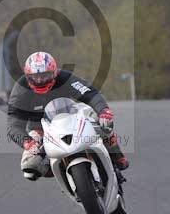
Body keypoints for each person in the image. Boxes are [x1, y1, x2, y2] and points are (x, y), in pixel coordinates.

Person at [7, 51, 129, 180]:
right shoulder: (21, 89)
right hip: (41, 129)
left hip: (72, 117)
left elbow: (88, 92)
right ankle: (55, 168)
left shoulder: (64, 77)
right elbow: (13, 123)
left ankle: (116, 154)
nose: (40, 80)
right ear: (27, 76)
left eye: (45, 76)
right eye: (35, 77)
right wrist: (27, 142)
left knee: (101, 120)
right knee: (30, 167)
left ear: (54, 73)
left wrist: (103, 111)